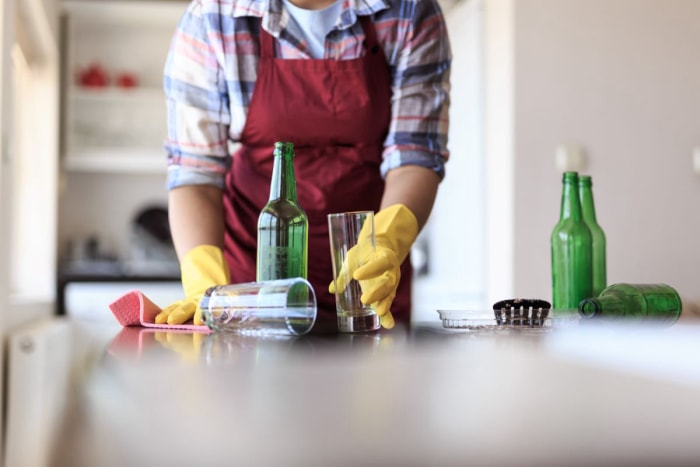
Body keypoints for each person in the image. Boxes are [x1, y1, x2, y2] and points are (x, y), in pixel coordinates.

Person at [154, 0, 451, 333]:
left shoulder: (409, 10)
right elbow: (196, 173)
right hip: (251, 285)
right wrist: (205, 287)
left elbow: (416, 156)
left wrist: (387, 241)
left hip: (367, 281)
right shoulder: (214, 16)